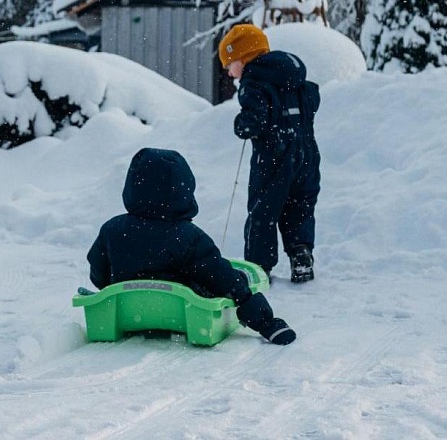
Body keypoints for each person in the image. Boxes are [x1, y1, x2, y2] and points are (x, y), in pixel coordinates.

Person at [87, 147, 296, 345]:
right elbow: (220, 276)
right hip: (181, 313)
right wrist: (263, 319)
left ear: (133, 186)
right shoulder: (188, 236)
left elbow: (98, 273)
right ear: (183, 190)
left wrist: (115, 288)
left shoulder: (112, 229)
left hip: (128, 312)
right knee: (231, 276)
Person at [219, 24, 321, 283]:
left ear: (243, 57)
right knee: (299, 206)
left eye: (230, 64)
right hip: (306, 153)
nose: (230, 73)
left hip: (273, 155)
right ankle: (301, 255)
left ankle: (258, 267)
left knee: (263, 210)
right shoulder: (295, 77)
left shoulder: (253, 82)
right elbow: (313, 99)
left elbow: (255, 120)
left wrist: (242, 125)